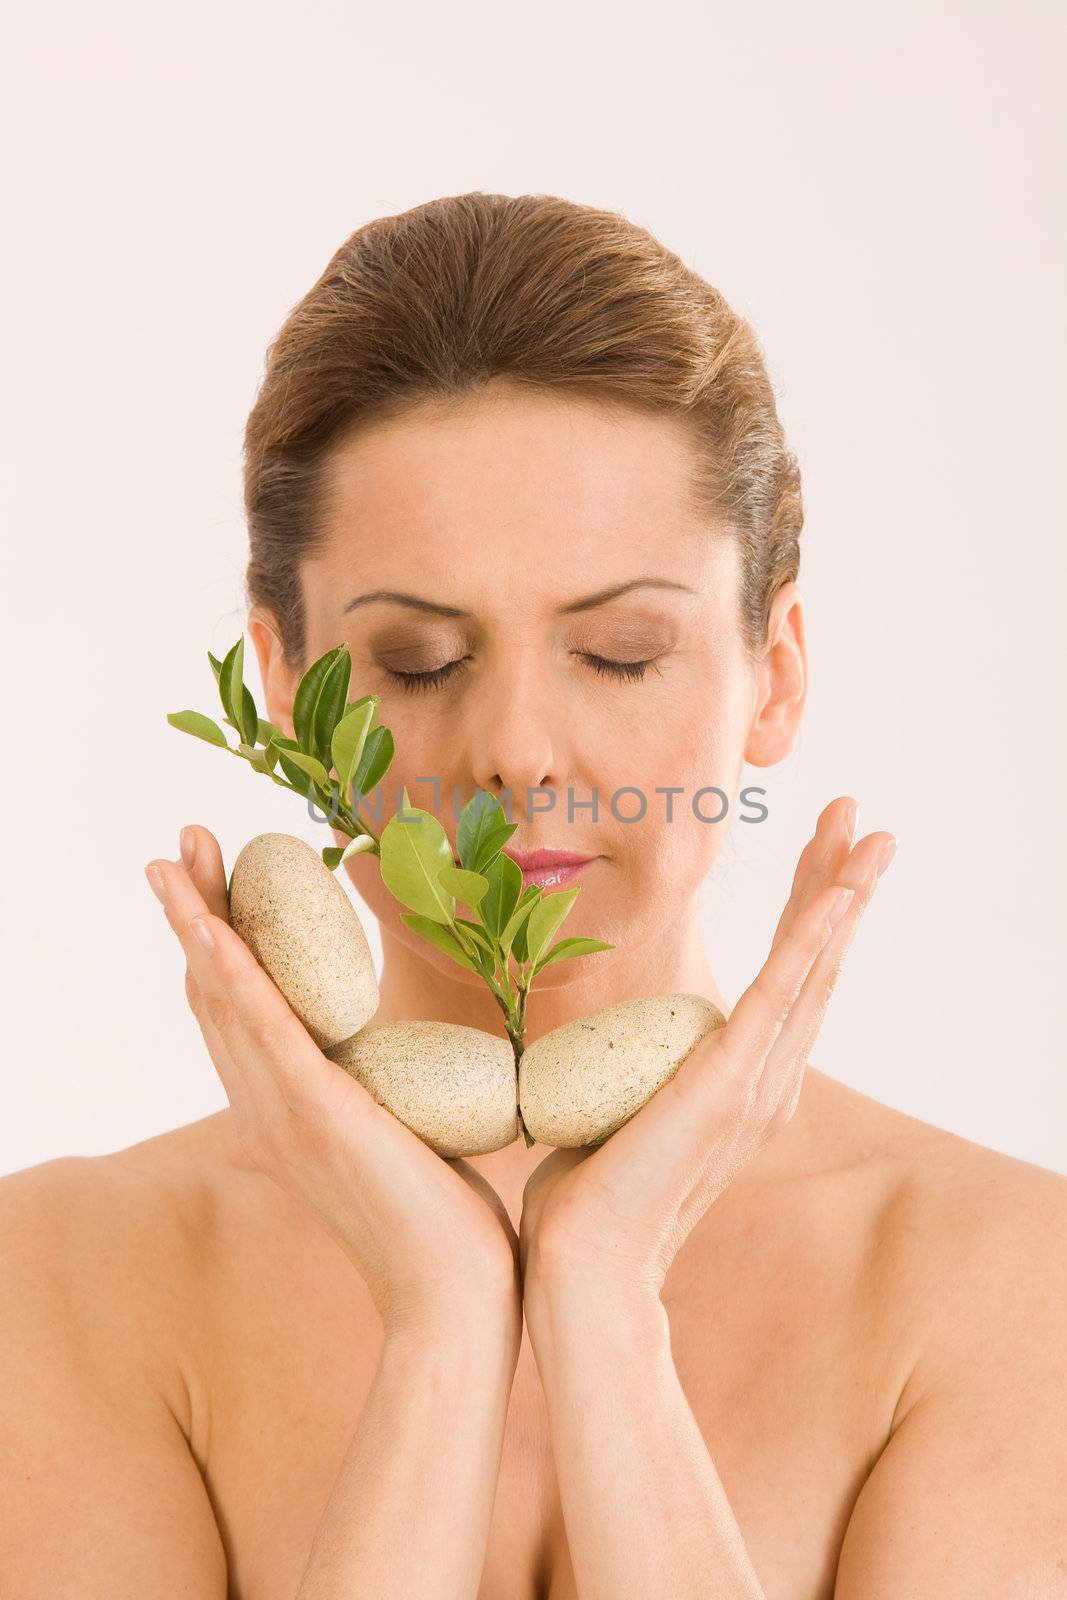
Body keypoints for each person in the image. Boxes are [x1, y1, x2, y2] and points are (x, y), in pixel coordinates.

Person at [3, 192, 1064, 1599]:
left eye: (621, 653)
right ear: (286, 693)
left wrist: (606, 1308)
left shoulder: (1010, 1284)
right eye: (422, 660)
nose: (514, 750)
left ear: (778, 672)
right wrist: (441, 1324)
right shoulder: (63, 1278)